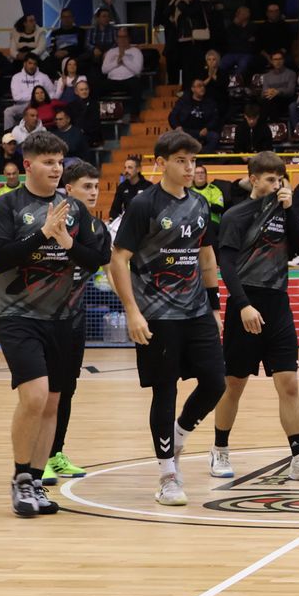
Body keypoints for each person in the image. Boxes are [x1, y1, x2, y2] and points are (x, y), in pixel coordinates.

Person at [0, 130, 109, 518]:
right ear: (28, 165)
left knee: (54, 401)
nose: (56, 169)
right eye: (48, 162)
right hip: (19, 315)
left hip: (65, 319)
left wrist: (66, 241)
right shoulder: (6, 206)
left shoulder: (74, 209)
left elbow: (96, 258)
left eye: (59, 162)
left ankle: (37, 481)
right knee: (35, 396)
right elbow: (1, 258)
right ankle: (20, 479)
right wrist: (43, 234)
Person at [109, 131, 224, 507]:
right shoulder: (144, 204)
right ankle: (167, 476)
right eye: (181, 160)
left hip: (196, 311)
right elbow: (119, 258)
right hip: (157, 315)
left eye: (193, 161)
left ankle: (178, 436)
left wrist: (214, 305)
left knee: (215, 383)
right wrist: (132, 310)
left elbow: (206, 256)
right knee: (165, 391)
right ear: (161, 163)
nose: (189, 167)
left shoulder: (201, 204)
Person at [208, 152, 299, 483]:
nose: (277, 185)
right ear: (254, 178)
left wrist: (290, 211)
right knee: (234, 384)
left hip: (277, 305)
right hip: (245, 305)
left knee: (289, 383)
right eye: (271, 179)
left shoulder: (282, 213)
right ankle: (219, 450)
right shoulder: (236, 215)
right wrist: (243, 304)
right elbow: (227, 266)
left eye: (281, 179)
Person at [42, 161, 112, 484]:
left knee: (67, 389)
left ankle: (56, 453)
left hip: (74, 317)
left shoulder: (97, 228)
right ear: (67, 190)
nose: (93, 192)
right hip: (43, 317)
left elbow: (99, 261)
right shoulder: (50, 217)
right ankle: (37, 456)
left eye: (96, 187)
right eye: (87, 187)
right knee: (45, 391)